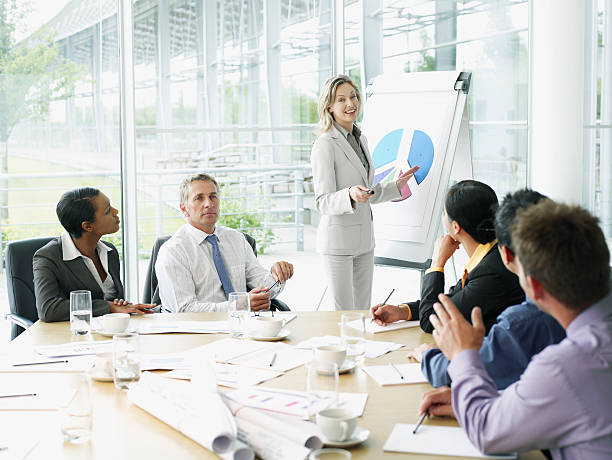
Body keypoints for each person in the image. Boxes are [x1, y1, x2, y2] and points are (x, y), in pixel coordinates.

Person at [420, 200, 612, 459]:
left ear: (533, 286)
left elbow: (487, 433)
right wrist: (495, 401)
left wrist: (464, 355)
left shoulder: (565, 365)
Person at [416, 189, 565, 389]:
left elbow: (459, 371)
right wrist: (405, 310)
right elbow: (456, 297)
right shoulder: (594, 289)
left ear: (507, 256)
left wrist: (429, 356)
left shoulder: (522, 320)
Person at [311, 74, 418, 310]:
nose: (350, 104)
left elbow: (366, 192)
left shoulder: (361, 139)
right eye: (341, 100)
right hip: (338, 244)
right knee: (344, 314)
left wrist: (396, 186)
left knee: (362, 311)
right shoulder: (325, 144)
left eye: (353, 96)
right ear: (329, 107)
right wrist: (349, 194)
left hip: (364, 242)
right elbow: (322, 202)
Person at [371, 180, 524, 333]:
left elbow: (431, 320)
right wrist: (402, 311)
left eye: (445, 214)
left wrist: (437, 262)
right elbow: (453, 301)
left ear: (456, 227)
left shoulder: (491, 271)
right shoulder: (493, 252)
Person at [155, 173, 294, 312]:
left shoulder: (237, 239)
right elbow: (184, 310)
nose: (209, 204)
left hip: (242, 327)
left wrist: (278, 275)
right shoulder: (173, 251)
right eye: (199, 198)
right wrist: (239, 306)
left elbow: (266, 290)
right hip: (199, 331)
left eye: (213, 197)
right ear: (184, 209)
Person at [33, 188, 156, 322]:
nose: (116, 212)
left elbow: (112, 301)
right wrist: (108, 307)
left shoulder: (109, 251)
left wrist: (119, 306)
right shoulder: (48, 257)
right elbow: (48, 309)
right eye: (108, 211)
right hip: (73, 334)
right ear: (88, 226)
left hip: (108, 331)